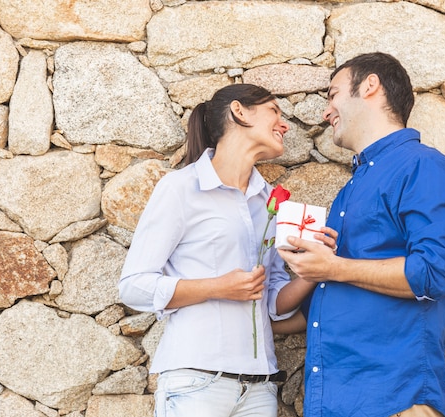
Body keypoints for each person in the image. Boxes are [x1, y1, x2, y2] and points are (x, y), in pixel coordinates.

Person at [278, 52, 445, 417]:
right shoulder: (351, 189)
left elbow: (435, 273)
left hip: (394, 400)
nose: (325, 111)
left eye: (332, 94)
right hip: (334, 403)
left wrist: (333, 268)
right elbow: (333, 296)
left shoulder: (422, 166)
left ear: (370, 86)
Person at [118, 84, 326, 417]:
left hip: (259, 387)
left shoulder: (269, 202)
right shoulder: (181, 188)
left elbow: (272, 303)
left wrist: (315, 271)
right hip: (196, 383)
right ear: (239, 111)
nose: (284, 124)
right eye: (274, 111)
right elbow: (133, 286)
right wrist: (218, 287)